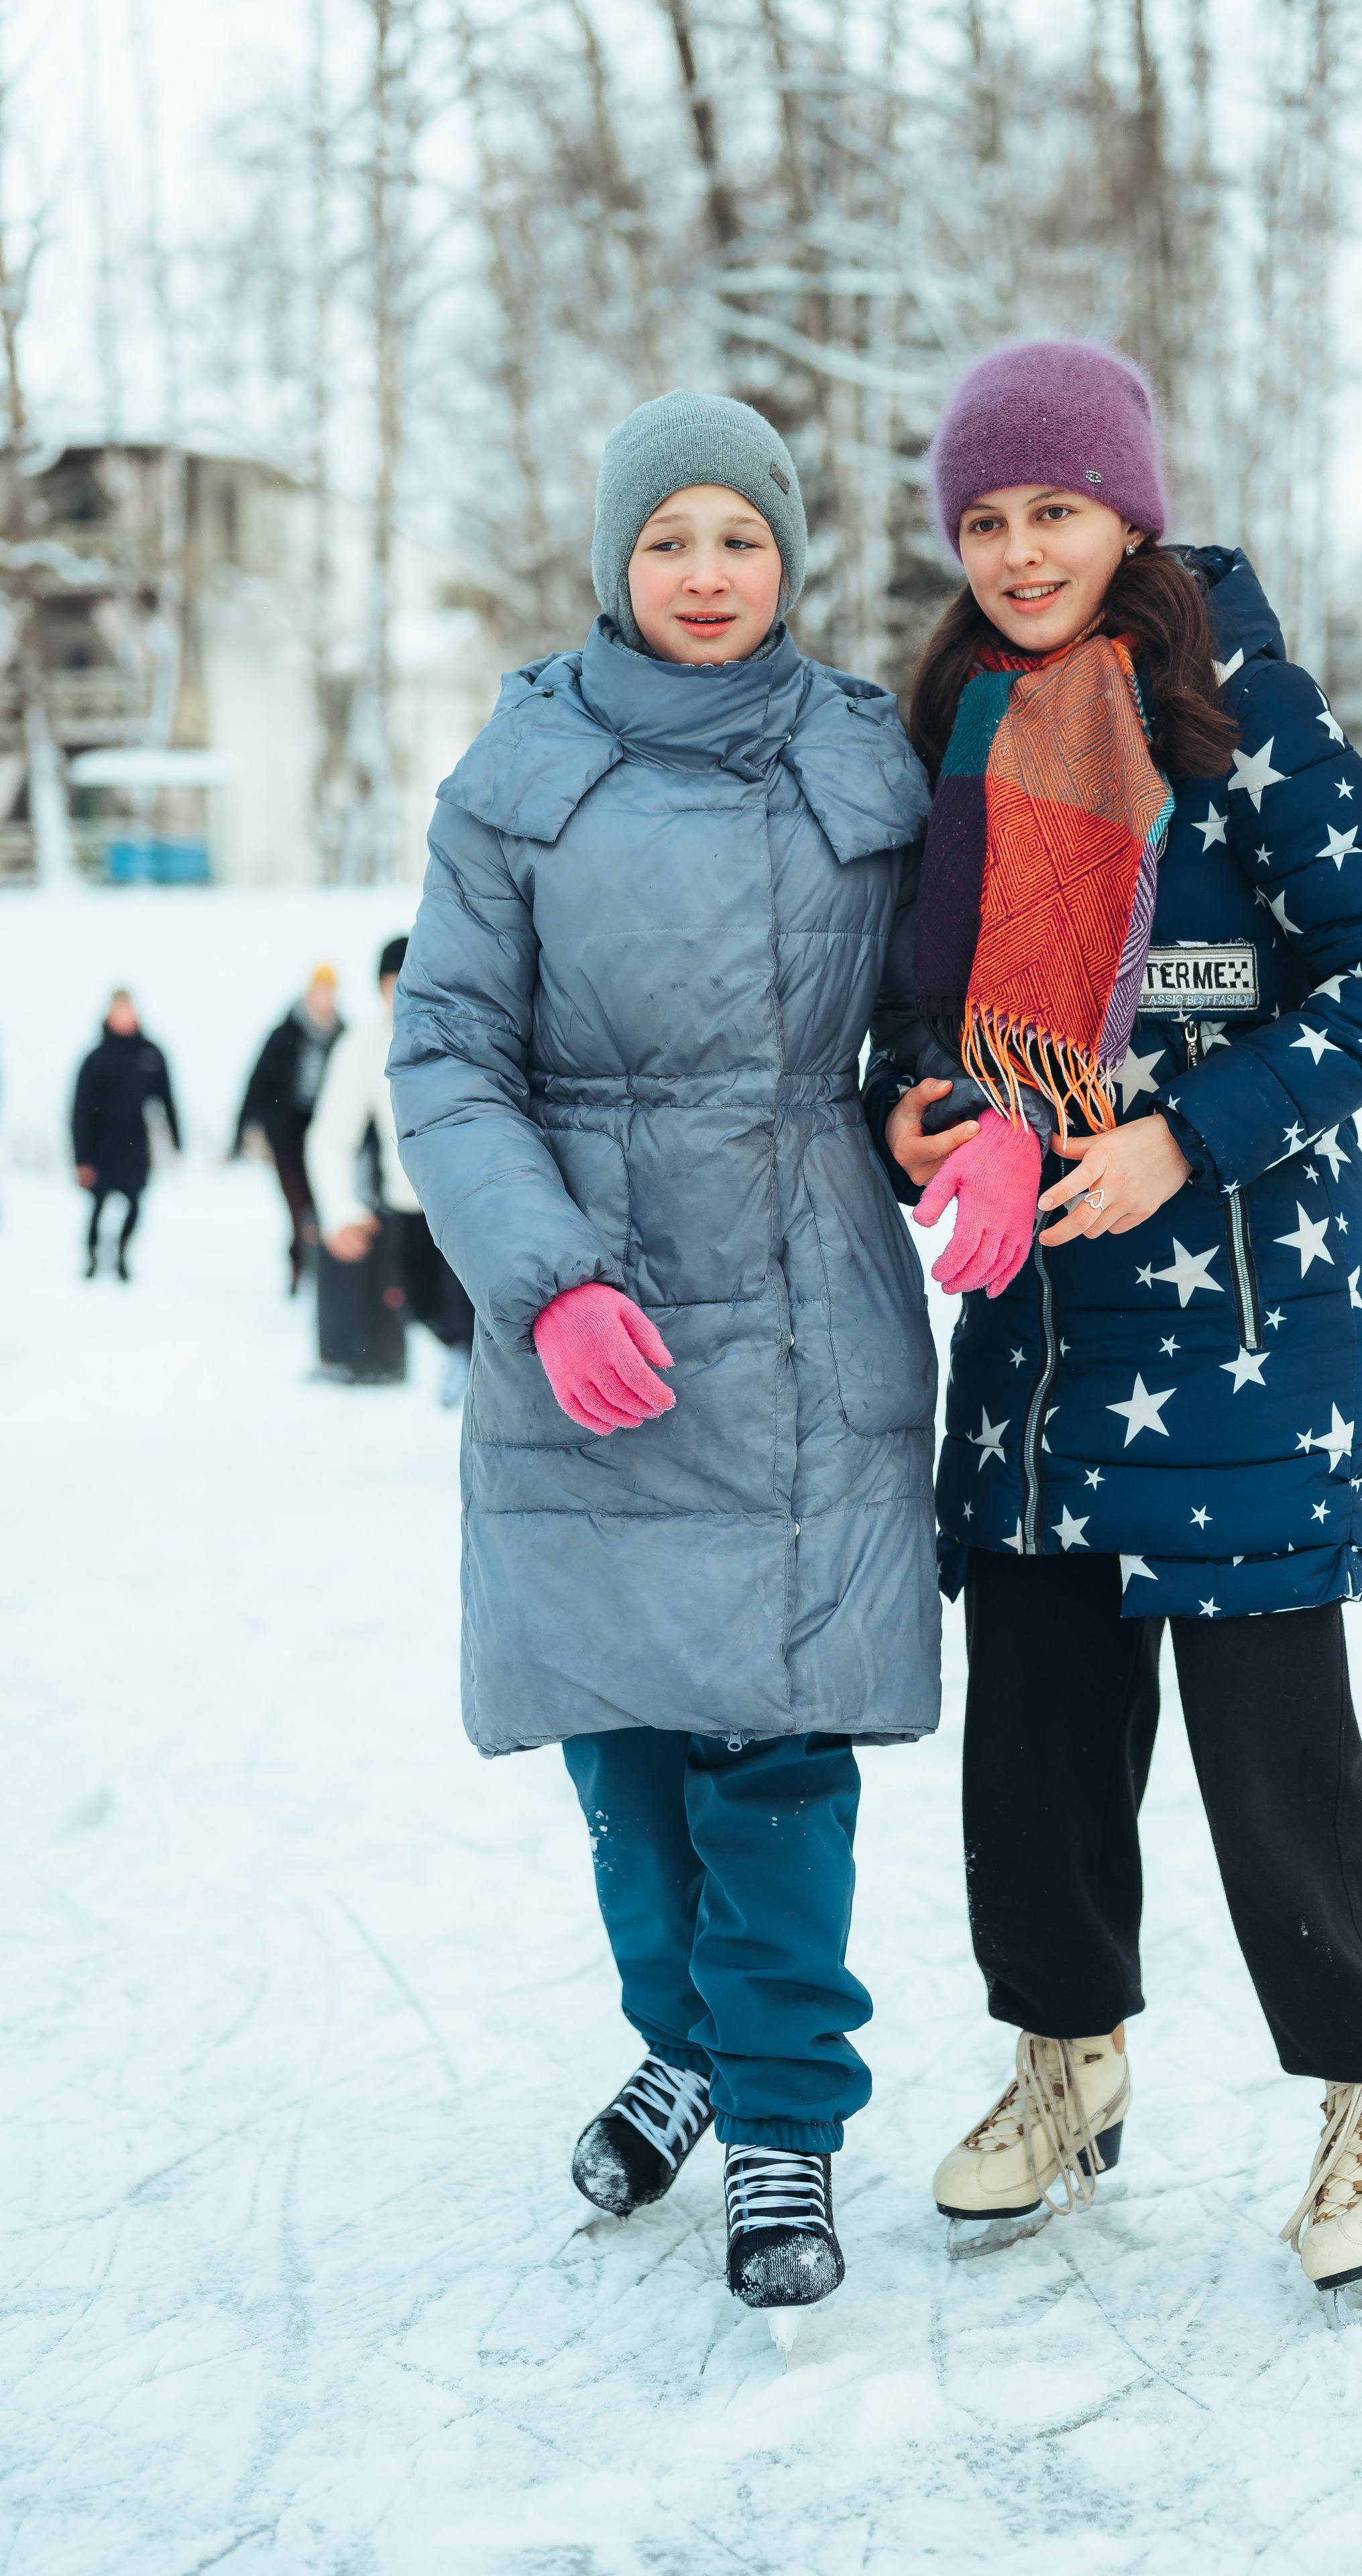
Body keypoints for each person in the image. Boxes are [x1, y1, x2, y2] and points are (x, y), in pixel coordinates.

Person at [863, 339, 1362, 2322]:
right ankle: (1066, 2061)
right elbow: (915, 1011)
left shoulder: (1245, 717)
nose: (1019, 550)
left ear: (1125, 505)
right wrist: (918, 1109)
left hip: (1242, 1331)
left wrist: (1180, 1135)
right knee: (1032, 1751)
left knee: (1270, 1761)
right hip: (1031, 1337)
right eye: (983, 518)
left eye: (1052, 508)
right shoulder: (953, 730)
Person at [388, 392, 940, 2317]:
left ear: (790, 556)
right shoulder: (519, 772)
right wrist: (545, 1278)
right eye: (669, 540)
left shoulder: (869, 760)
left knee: (778, 1740)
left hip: (803, 1309)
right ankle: (688, 2038)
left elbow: (927, 1025)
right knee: (627, 1738)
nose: (708, 575)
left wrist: (963, 1113)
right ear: (616, 565)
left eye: (742, 536)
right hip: (599, 1327)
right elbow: (446, 1055)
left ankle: (778, 2117)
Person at [306, 934, 475, 1403]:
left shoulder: (467, 1034)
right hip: (409, 1208)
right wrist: (339, 1212)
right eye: (390, 984)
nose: (400, 995)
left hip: (472, 1203)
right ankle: (462, 1355)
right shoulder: (363, 1046)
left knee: (475, 1306)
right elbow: (330, 1136)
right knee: (421, 1304)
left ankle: (479, 1371)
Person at [233, 965, 344, 1291]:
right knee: (299, 1205)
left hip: (325, 1131)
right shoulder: (286, 1033)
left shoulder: (343, 1034)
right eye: (319, 992)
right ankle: (299, 1269)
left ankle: (325, 1269)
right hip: (286, 1133)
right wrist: (243, 1129)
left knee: (325, 1202)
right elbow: (257, 1082)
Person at [72, 990, 180, 1281]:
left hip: (135, 1144)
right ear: (109, 1014)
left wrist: (178, 1141)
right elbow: (79, 1113)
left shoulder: (150, 1053)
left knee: (135, 1202)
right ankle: (93, 1255)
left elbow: (167, 1100)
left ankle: (122, 1251)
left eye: (128, 1011)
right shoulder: (95, 1059)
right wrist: (82, 1158)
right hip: (100, 1146)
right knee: (98, 1203)